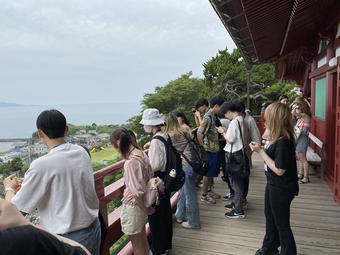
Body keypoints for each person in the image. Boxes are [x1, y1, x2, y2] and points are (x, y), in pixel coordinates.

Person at [3, 109, 100, 255]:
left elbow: (15, 210)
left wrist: (8, 189)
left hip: (68, 239)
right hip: (93, 228)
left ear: (40, 133)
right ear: (66, 129)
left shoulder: (41, 165)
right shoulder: (81, 152)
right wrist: (31, 182)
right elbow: (66, 177)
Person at [250, 102, 298, 255]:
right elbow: (266, 138)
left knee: (281, 223)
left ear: (275, 119)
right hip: (273, 184)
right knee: (270, 216)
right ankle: (270, 247)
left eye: (268, 118)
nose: (265, 121)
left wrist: (260, 152)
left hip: (282, 187)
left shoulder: (284, 142)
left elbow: (279, 169)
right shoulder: (279, 138)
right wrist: (264, 142)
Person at [110, 128, 154, 255]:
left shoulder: (130, 162)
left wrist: (145, 209)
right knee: (143, 240)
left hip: (134, 206)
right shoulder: (141, 153)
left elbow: (136, 192)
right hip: (142, 204)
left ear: (116, 144)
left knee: (137, 246)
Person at [0, 198, 90, 255]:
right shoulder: (25, 238)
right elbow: (16, 205)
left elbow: (19, 203)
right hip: (83, 229)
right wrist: (23, 224)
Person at [140, 108, 172, 255]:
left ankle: (158, 249)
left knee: (156, 218)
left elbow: (156, 164)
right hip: (166, 180)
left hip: (158, 182)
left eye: (145, 123)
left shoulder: (156, 140)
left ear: (151, 125)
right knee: (165, 215)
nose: (144, 126)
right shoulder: (163, 135)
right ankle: (166, 246)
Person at [165, 113, 201, 229]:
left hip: (185, 166)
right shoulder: (185, 131)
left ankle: (194, 222)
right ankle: (179, 215)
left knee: (190, 195)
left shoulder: (170, 135)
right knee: (183, 191)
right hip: (192, 164)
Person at [217, 101, 247, 219]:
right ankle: (236, 203)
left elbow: (230, 140)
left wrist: (223, 132)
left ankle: (238, 210)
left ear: (229, 111)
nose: (225, 116)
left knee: (236, 182)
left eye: (225, 113)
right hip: (239, 153)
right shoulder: (241, 119)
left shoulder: (234, 122)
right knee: (237, 181)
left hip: (234, 154)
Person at [197, 96, 224, 204]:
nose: (222, 110)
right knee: (208, 173)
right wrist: (203, 147)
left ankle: (209, 191)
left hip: (214, 148)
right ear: (216, 106)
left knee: (212, 172)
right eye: (221, 107)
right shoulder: (208, 117)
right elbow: (199, 133)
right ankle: (204, 195)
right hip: (209, 150)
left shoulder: (213, 115)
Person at [291, 101, 311, 184]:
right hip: (299, 139)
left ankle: (306, 177)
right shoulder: (300, 118)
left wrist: (293, 108)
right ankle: (300, 174)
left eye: (298, 108)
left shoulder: (305, 116)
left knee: (303, 159)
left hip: (303, 140)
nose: (296, 110)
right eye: (296, 108)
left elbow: (293, 113)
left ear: (303, 108)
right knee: (300, 158)